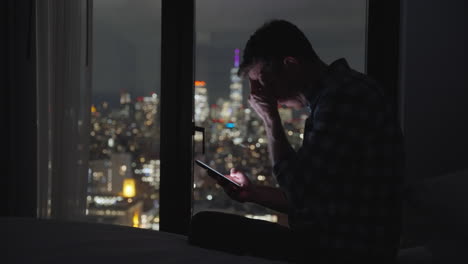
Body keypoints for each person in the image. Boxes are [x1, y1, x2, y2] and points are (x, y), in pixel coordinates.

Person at [188, 20, 404, 264]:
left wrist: (271, 119)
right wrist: (254, 193)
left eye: (261, 79)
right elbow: (317, 198)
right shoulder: (337, 94)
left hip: (342, 251)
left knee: (206, 226)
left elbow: (302, 193)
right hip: (339, 242)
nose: (256, 92)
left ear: (290, 65)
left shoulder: (342, 99)